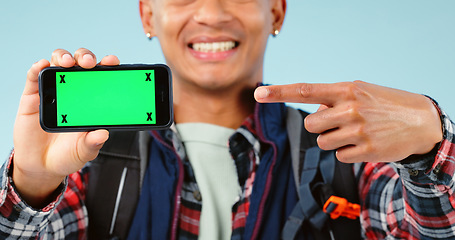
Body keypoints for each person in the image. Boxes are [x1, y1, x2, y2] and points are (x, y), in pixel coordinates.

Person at [1, 0, 454, 239]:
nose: (213, 13)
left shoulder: (344, 146)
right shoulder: (86, 161)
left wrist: (431, 147)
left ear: (275, 10)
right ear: (147, 14)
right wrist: (31, 182)